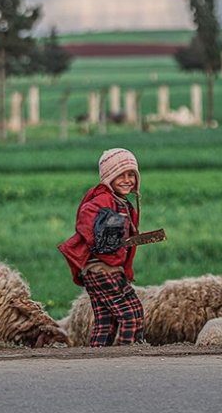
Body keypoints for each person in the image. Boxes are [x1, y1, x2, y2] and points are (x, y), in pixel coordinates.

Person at [59, 148, 145, 346]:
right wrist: (110, 226)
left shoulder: (122, 203)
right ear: (108, 178)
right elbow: (86, 218)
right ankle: (127, 354)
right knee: (132, 314)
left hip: (101, 270)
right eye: (120, 175)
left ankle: (98, 356)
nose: (127, 180)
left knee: (106, 320)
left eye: (131, 174)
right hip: (102, 269)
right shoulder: (102, 200)